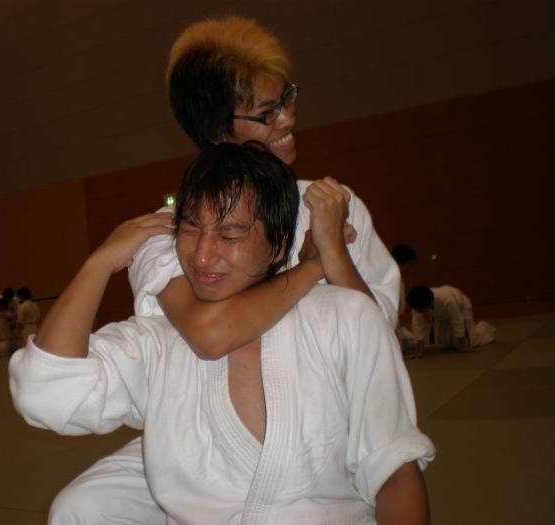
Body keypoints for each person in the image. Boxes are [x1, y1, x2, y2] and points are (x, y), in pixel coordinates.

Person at [10, 142, 435, 524]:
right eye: (191, 228)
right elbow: (47, 394)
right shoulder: (159, 342)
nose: (202, 255)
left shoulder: (344, 318)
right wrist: (98, 264)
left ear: (277, 244)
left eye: (230, 233)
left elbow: (394, 472)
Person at [129, 15, 400, 364]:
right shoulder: (171, 232)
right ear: (217, 132)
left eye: (287, 98)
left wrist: (334, 252)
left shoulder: (332, 206)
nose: (288, 119)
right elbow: (209, 334)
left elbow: (382, 340)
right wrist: (314, 265)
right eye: (267, 112)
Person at [406, 285, 497, 358]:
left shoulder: (447, 300)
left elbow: (457, 320)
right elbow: (418, 326)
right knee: (445, 342)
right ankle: (461, 340)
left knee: (470, 343)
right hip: (442, 314)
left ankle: (484, 328)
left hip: (462, 307)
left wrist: (464, 347)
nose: (419, 311)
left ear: (429, 303)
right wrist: (420, 351)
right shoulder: (417, 304)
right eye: (417, 309)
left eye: (421, 309)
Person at [391, 244, 417, 352]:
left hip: (395, 320)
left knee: (413, 340)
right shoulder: (391, 277)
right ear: (401, 262)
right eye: (409, 264)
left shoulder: (396, 275)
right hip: (390, 321)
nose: (410, 268)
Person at [13, 286, 41, 350]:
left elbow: (20, 322)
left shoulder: (22, 306)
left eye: (18, 296)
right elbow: (38, 318)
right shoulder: (35, 305)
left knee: (26, 347)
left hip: (26, 329)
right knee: (34, 346)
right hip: (35, 328)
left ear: (21, 296)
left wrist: (16, 333)